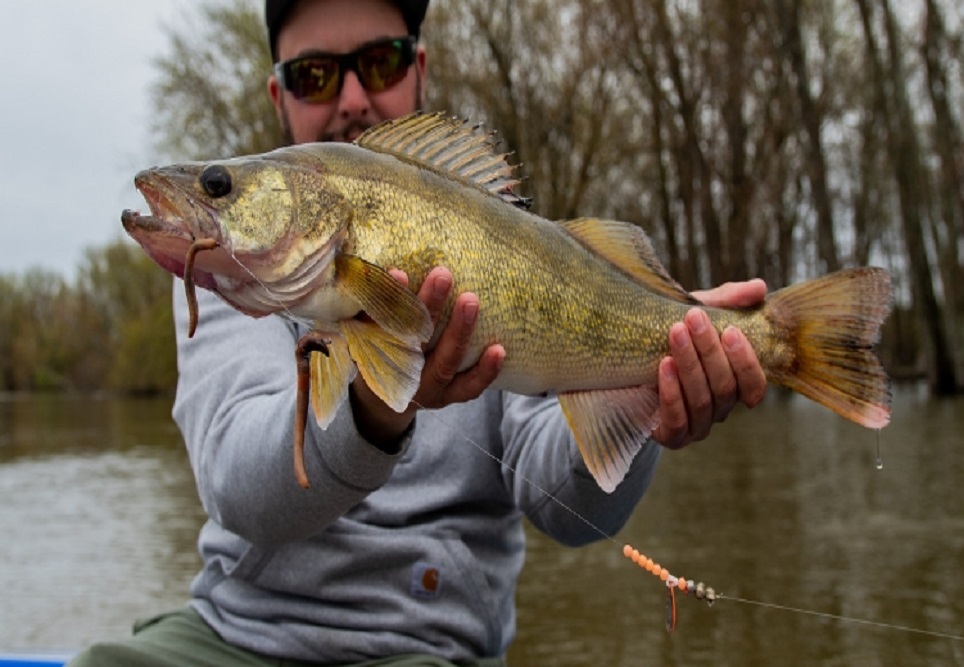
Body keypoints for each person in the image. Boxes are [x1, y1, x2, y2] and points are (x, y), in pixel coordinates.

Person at [70, 1, 767, 665]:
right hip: (237, 637)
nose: (350, 98)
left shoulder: (512, 244)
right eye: (313, 75)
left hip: (426, 647)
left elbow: (573, 511)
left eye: (380, 62)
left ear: (420, 70)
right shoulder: (221, 277)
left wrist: (657, 393)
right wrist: (374, 411)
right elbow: (239, 486)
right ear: (278, 97)